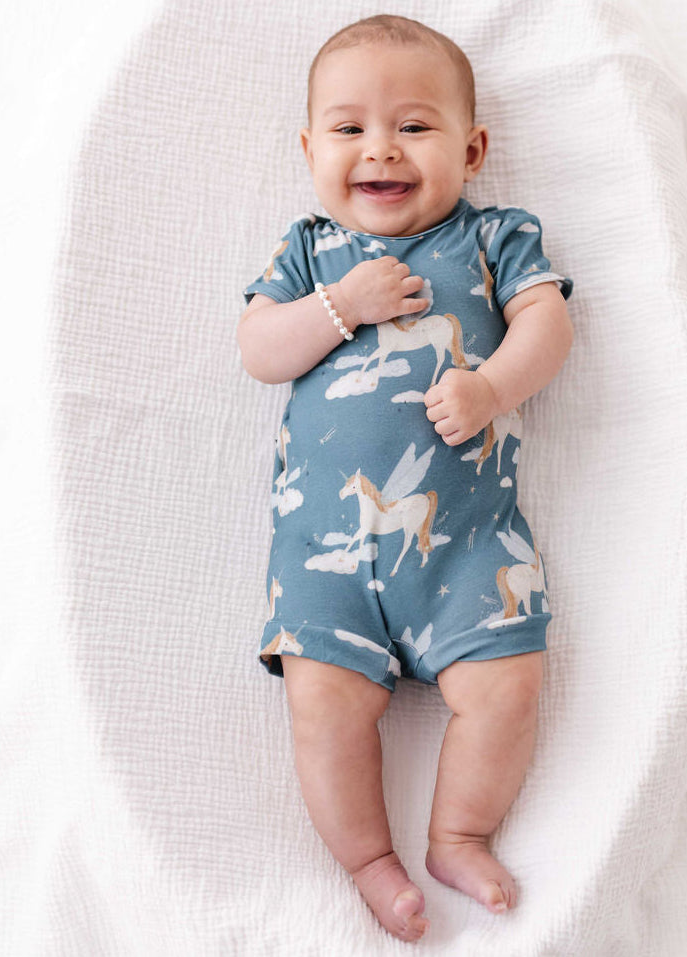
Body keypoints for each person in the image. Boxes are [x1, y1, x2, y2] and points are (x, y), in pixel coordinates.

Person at [237, 14, 573, 942]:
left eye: (414, 128)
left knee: (509, 681)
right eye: (348, 130)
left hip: (467, 544)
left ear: (471, 150)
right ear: (309, 149)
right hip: (322, 555)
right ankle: (369, 860)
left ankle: (458, 829)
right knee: (324, 704)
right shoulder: (309, 251)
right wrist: (341, 306)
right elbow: (259, 349)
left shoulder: (497, 236)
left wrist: (494, 385)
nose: (379, 148)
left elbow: (548, 324)